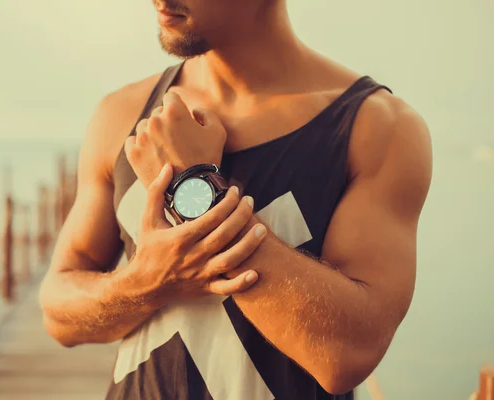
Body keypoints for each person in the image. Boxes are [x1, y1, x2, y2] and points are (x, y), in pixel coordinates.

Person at [38, 0, 433, 398]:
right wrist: (147, 282)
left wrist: (194, 185)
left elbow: (346, 355)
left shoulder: (375, 129)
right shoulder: (123, 116)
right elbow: (58, 312)